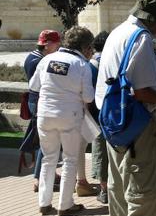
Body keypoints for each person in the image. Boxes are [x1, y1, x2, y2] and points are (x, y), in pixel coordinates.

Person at [95, 0, 156, 216]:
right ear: (153, 20)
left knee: (119, 184)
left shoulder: (117, 32)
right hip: (136, 122)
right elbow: (142, 92)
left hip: (114, 120)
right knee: (144, 192)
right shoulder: (141, 38)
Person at [29, 26, 95, 215]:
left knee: (49, 159)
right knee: (70, 160)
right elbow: (89, 97)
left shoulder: (47, 59)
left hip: (45, 115)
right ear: (84, 46)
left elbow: (34, 86)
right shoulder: (82, 65)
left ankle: (44, 203)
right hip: (69, 116)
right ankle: (65, 205)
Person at [23, 30, 61, 193]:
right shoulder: (40, 61)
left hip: (35, 101)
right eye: (57, 44)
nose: (59, 47)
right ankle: (38, 179)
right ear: (48, 45)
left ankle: (47, 173)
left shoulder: (32, 56)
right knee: (44, 142)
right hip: (39, 102)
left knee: (42, 140)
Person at [89, 31, 109, 204]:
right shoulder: (114, 61)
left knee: (101, 153)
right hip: (117, 114)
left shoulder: (90, 65)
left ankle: (104, 191)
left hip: (97, 115)